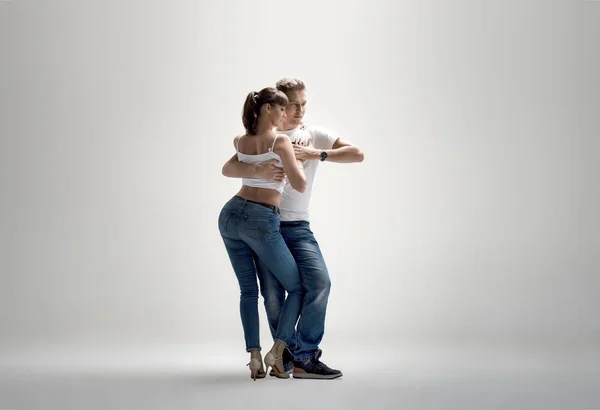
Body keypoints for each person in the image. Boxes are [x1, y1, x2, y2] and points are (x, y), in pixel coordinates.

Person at [222, 78, 364, 379]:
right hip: (264, 222)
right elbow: (231, 167)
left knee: (319, 282)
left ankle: (303, 354)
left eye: (304, 104)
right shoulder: (264, 135)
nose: (300, 110)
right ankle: (283, 357)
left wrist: (315, 154)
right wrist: (259, 168)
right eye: (293, 105)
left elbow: (356, 154)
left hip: (296, 224)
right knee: (272, 295)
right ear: (278, 107)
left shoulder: (312, 134)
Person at [218, 86, 308, 380]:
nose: (285, 114)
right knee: (296, 287)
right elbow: (300, 184)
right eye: (281, 108)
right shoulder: (281, 142)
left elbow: (229, 168)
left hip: (231, 215)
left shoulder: (241, 140)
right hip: (260, 218)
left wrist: (255, 171)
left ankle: (254, 357)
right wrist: (299, 158)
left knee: (247, 290)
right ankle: (278, 349)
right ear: (267, 109)